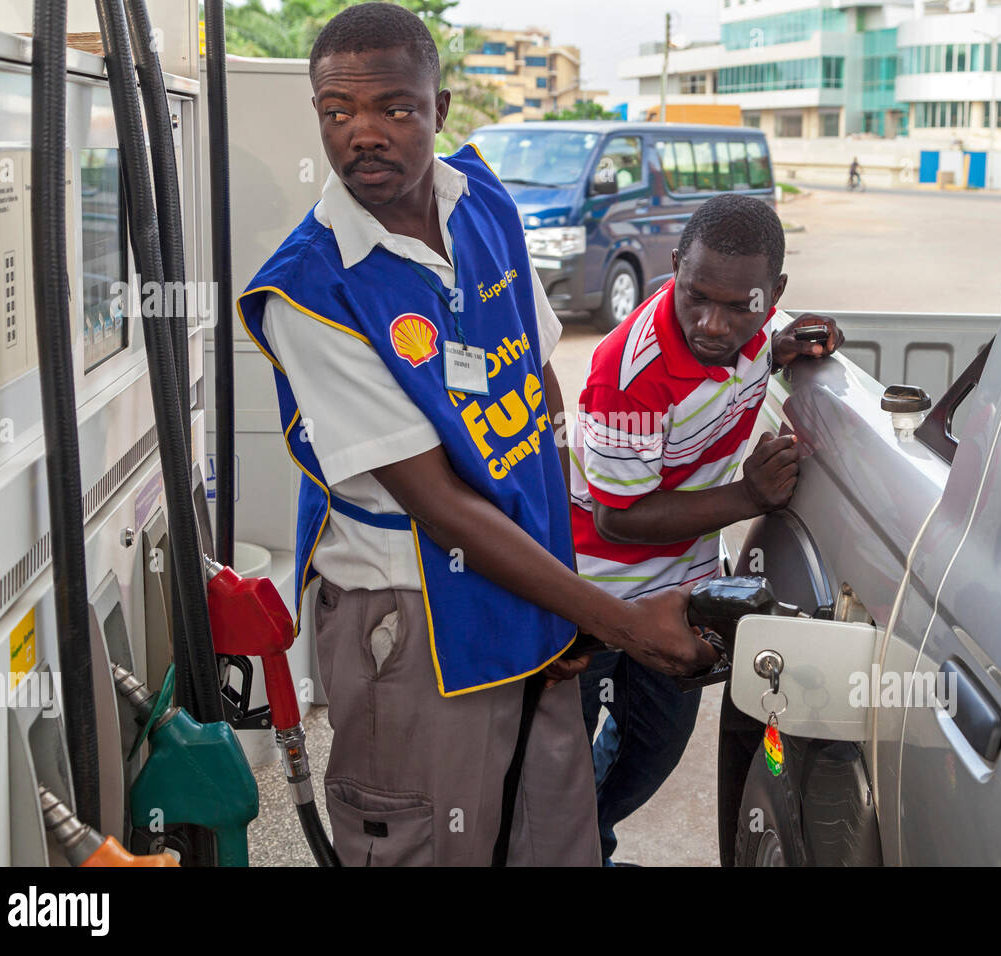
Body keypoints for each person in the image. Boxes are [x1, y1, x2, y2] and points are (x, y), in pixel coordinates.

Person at [236, 2, 715, 867]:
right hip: (414, 622)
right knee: (426, 844)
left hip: (525, 581)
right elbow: (439, 505)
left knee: (550, 836)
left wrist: (563, 601)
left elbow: (534, 387)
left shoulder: (480, 199)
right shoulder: (312, 289)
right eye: (336, 113)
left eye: (393, 107)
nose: (362, 134)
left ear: (440, 107)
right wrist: (614, 621)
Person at [570, 193, 844, 864]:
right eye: (696, 297)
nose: (714, 325)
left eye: (740, 306)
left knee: (653, 749)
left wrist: (789, 345)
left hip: (683, 594)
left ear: (773, 292)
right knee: (563, 757)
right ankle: (568, 847)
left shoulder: (758, 329)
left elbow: (750, 349)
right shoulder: (628, 370)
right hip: (594, 596)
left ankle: (578, 844)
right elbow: (618, 516)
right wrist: (749, 495)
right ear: (673, 268)